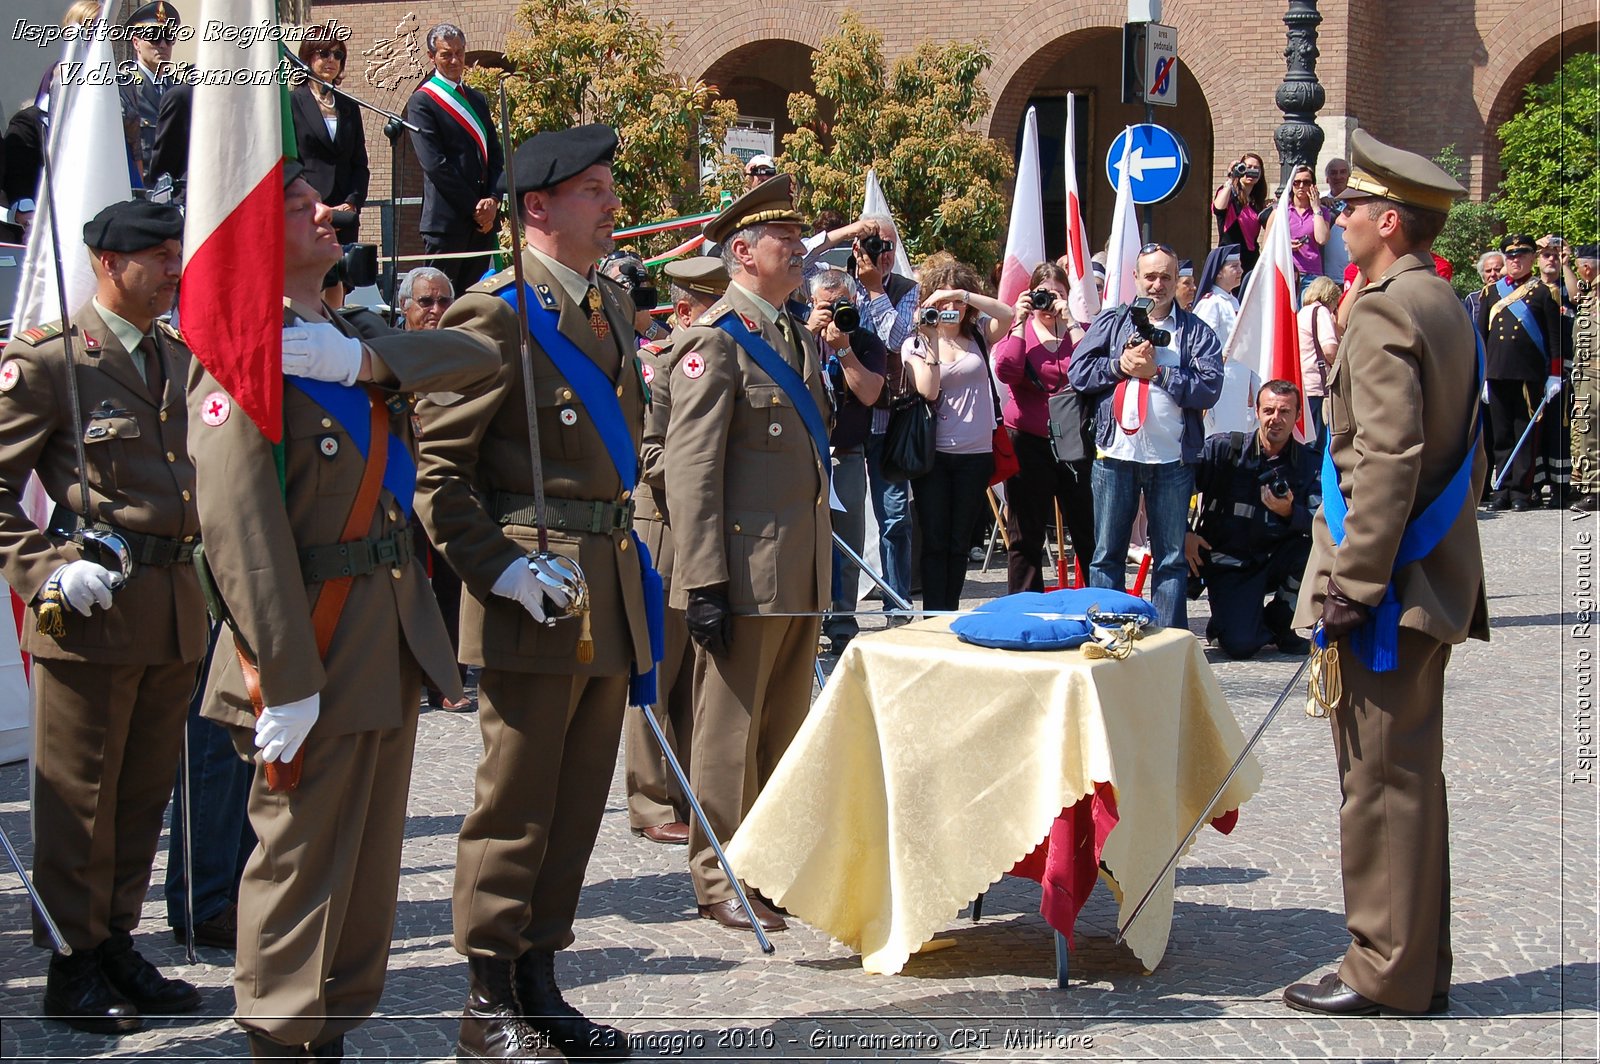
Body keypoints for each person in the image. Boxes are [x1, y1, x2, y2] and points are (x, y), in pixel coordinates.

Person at [188, 167, 496, 1061]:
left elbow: (474, 358)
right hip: (309, 642)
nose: (328, 214)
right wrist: (284, 678)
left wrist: (365, 361)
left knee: (364, 868)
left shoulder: (348, 332)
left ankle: (332, 1026)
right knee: (299, 863)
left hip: (387, 638)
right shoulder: (241, 354)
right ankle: (282, 1038)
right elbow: (240, 533)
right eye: (297, 205)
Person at [413, 124, 646, 1062]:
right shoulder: (495, 313)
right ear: (537, 208)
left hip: (604, 584)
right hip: (533, 585)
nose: (612, 205)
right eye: (593, 189)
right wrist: (498, 568)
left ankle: (539, 978)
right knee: (516, 802)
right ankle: (484, 996)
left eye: (609, 188)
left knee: (580, 797)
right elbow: (438, 472)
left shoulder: (608, 310)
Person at [1283, 127, 1488, 1018]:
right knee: (1408, 778)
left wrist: (1350, 587)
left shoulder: (1381, 306)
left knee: (1378, 784)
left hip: (1388, 588)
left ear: (1391, 222)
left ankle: (1384, 970)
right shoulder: (1440, 302)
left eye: (1352, 206)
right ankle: (1414, 962)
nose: (1340, 218)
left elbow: (1386, 459)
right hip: (1426, 576)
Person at [0, 199, 204, 1034]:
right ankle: (70, 959)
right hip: (91, 611)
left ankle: (116, 939)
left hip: (170, 609)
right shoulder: (50, 361)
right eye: (154, 256)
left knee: (140, 794)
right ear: (106, 265)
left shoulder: (178, 356)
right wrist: (49, 568)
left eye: (173, 253)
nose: (171, 269)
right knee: (78, 798)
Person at [659, 174, 831, 934]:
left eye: (798, 242)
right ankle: (719, 872)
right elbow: (691, 472)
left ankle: (766, 866)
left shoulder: (789, 334)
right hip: (742, 574)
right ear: (741, 252)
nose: (798, 253)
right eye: (783, 243)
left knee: (783, 733)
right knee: (728, 737)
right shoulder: (712, 342)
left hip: (798, 570)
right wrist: (703, 581)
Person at [626, 257, 729, 846]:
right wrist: (709, 472)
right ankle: (648, 798)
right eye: (713, 308)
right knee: (657, 670)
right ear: (685, 310)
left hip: (707, 530)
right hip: (662, 526)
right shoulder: (660, 365)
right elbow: (650, 453)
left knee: (698, 671)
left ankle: (689, 790)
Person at [1068, 243, 1224, 631]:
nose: (1157, 284)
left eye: (1166, 277)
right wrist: (1120, 366)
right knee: (1106, 555)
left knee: (1170, 558)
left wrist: (1160, 373)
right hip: (1115, 456)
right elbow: (1078, 373)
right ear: (1135, 278)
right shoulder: (1111, 321)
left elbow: (1209, 388)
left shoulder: (1195, 333)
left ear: (1178, 281)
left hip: (1171, 460)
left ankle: (1168, 644)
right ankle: (1107, 633)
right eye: (1150, 276)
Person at [902, 257, 1015, 611]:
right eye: (942, 301)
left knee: (959, 542)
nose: (950, 308)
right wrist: (932, 336)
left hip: (976, 454)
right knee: (935, 541)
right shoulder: (915, 344)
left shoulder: (979, 334)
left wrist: (963, 293)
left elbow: (1008, 315)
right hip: (934, 455)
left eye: (956, 302)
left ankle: (949, 609)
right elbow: (929, 390)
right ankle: (934, 612)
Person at [1186, 380, 1318, 659]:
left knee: (1317, 552)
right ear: (1256, 411)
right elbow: (1170, 493)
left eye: (1284, 411)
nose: (1276, 419)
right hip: (1231, 563)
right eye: (1269, 410)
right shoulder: (1223, 451)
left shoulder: (1308, 462)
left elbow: (1325, 522)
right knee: (1240, 645)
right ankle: (1236, 620)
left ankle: (1280, 623)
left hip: (1277, 559)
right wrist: (1184, 533)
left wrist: (1291, 513)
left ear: (1297, 416)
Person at [993, 260, 1095, 593]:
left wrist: (1070, 321)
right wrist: (1019, 322)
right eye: (1044, 295)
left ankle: (1101, 601)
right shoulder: (1021, 330)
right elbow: (1007, 371)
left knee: (1087, 529)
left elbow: (1092, 370)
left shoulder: (1076, 329)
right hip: (1027, 442)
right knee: (1026, 533)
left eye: (1058, 294)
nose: (1050, 303)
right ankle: (1024, 606)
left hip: (1073, 443)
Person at [808, 267, 886, 652]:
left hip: (847, 456)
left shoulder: (867, 343)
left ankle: (841, 623)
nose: (835, 313)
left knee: (847, 545)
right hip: (802, 454)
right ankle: (806, 623)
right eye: (827, 306)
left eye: (843, 305)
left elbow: (870, 393)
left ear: (854, 304)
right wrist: (809, 333)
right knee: (803, 541)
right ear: (812, 305)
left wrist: (843, 349)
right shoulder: (797, 337)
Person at [406, 24, 504, 294]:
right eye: (446, 54)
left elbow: (495, 156)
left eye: (459, 53)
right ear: (431, 56)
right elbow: (434, 164)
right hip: (447, 222)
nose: (455, 61)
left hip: (483, 223)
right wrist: (475, 207)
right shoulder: (422, 102)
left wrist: (493, 200)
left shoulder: (477, 100)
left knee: (477, 303)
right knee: (439, 304)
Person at [1478, 233, 1562, 511]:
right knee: (1501, 435)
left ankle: (1521, 491)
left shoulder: (1542, 292)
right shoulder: (1491, 293)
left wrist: (1554, 374)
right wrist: (1483, 375)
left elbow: (1554, 338)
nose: (1516, 260)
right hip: (1498, 372)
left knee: (1524, 435)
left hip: (1529, 374)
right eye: (1511, 256)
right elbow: (1482, 336)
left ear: (1531, 259)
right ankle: (1501, 489)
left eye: (1522, 255)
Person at [290, 25, 370, 244]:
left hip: (345, 213)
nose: (332, 60)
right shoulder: (291, 103)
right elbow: (290, 163)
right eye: (324, 53)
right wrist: (314, 204)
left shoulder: (349, 106)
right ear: (307, 57)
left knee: (345, 277)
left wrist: (352, 202)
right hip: (309, 211)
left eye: (338, 54)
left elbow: (359, 163)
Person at [1194, 244, 1256, 437]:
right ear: (1219, 272)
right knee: (1220, 438)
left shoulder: (1233, 301)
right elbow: (1204, 349)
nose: (1241, 271)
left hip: (1238, 383)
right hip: (1222, 383)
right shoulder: (1211, 304)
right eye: (1234, 267)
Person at [117, 2, 182, 183]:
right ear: (136, 42)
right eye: (154, 37)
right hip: (140, 192)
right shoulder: (122, 87)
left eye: (169, 37)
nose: (162, 44)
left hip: (176, 193)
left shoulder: (179, 90)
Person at [1569, 245, 1599, 513]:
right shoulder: (1590, 293)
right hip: (1587, 370)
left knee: (1590, 433)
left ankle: (1593, 491)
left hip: (1594, 372)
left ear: (1586, 268)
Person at [1297, 275, 1342, 447]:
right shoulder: (1321, 312)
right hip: (1317, 386)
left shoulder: (1303, 313)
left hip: (1303, 383)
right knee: (1317, 444)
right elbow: (1330, 350)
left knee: (1306, 441)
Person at [1212, 152, 1269, 273]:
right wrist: (1231, 177)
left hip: (1251, 261)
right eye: (1247, 167)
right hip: (1230, 259)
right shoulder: (1229, 193)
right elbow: (1218, 209)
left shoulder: (1257, 203)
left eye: (1256, 168)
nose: (1251, 171)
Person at [1282, 164, 1333, 288]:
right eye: (1297, 182)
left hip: (1312, 273)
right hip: (1287, 270)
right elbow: (1268, 243)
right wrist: (1285, 245)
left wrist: (1316, 208)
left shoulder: (1322, 211)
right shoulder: (1282, 210)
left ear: (1313, 186)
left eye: (1306, 182)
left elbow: (1321, 239)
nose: (1301, 186)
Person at [1320, 156, 1352, 280]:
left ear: (1349, 176)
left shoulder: (1359, 202)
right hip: (1325, 276)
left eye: (1343, 172)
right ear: (1327, 179)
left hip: (1351, 275)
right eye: (1333, 173)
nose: (1338, 177)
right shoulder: (1318, 202)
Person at [399, 266, 456, 331]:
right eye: (426, 301)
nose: (436, 310)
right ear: (403, 305)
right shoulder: (389, 340)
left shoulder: (463, 339)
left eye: (444, 301)